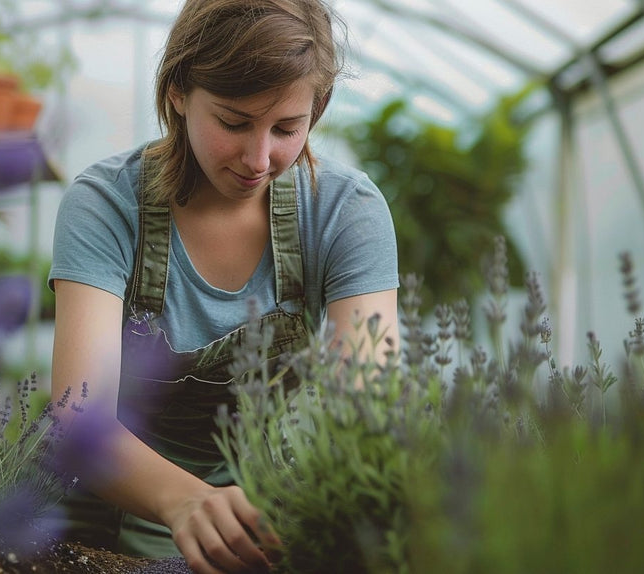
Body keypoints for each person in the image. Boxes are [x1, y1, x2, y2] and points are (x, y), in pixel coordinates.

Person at [48, 1, 399, 572]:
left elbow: (364, 411)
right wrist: (190, 502)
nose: (259, 159)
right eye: (234, 123)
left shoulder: (346, 211)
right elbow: (78, 421)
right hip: (106, 528)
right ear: (179, 94)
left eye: (288, 128)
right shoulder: (105, 205)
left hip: (274, 522)